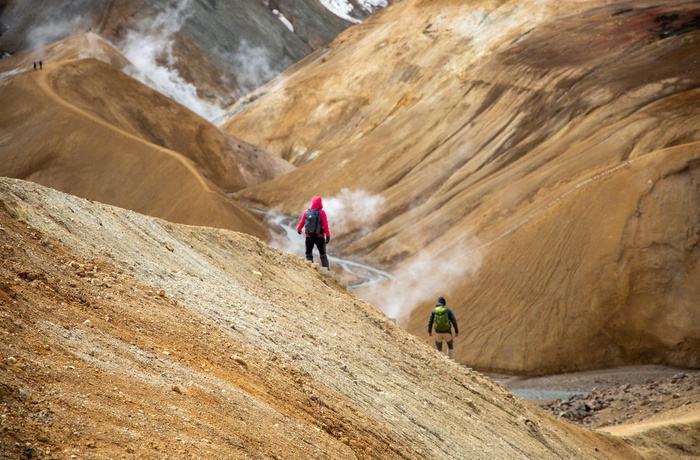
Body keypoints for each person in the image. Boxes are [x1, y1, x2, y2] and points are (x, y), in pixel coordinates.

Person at [296, 196, 331, 270]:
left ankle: (310, 270)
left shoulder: (306, 212)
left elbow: (302, 222)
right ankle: (327, 270)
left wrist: (298, 229)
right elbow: (325, 224)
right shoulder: (321, 212)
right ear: (319, 203)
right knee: (323, 254)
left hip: (309, 237)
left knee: (308, 254)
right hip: (320, 237)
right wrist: (328, 235)